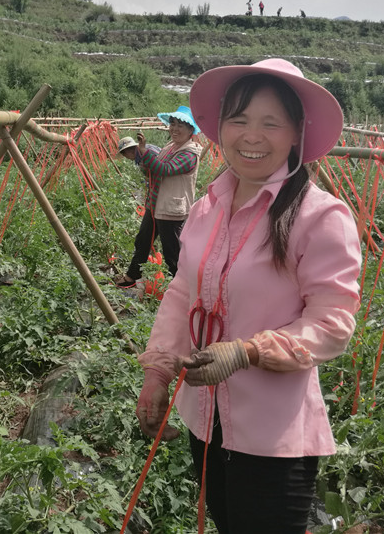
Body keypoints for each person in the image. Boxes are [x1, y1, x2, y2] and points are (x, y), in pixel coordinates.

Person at [135, 59, 362, 533]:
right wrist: (158, 371)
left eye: (270, 123)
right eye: (239, 120)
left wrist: (247, 351)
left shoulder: (319, 218)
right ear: (220, 128)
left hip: (273, 436)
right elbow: (182, 293)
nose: (251, 136)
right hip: (206, 419)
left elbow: (332, 323)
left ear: (297, 132)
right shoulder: (206, 209)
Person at [113, 106, 203, 289]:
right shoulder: (171, 146)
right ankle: (132, 275)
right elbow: (155, 170)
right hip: (155, 205)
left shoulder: (189, 154)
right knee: (142, 241)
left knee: (172, 254)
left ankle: (180, 290)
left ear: (191, 130)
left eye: (181, 125)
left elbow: (165, 169)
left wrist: (144, 152)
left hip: (171, 209)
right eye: (173, 123)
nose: (175, 129)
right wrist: (147, 166)